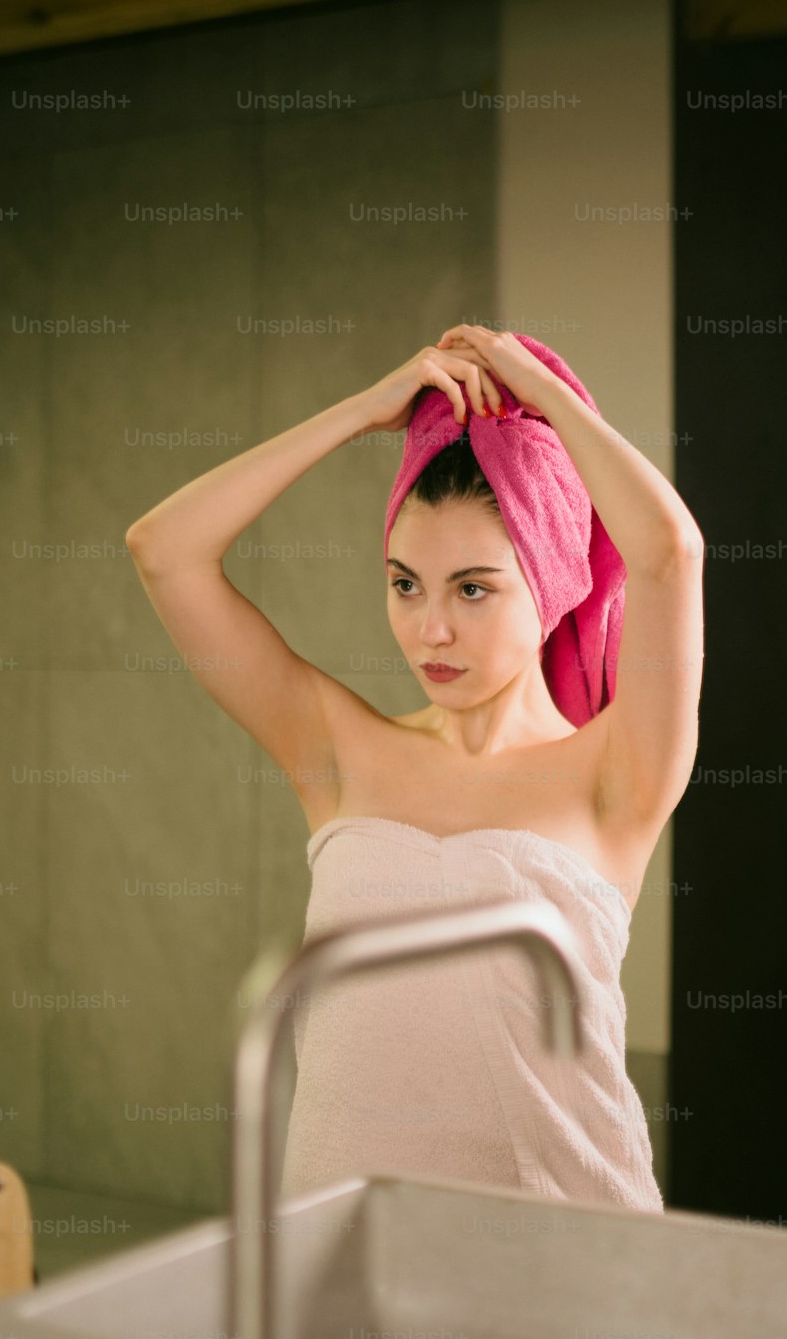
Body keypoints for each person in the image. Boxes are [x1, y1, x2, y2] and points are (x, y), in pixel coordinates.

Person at [125, 325, 704, 1211]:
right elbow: (163, 548)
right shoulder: (335, 750)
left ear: (551, 584)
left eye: (472, 588)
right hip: (353, 1254)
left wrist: (545, 396)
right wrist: (363, 414)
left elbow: (670, 551)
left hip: (568, 1255)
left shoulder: (616, 771)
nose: (430, 629)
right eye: (405, 584)